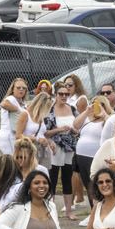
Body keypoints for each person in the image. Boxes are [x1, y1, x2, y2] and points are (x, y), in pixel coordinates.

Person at [44, 82, 80, 217]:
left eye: (66, 94)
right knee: (52, 178)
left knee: (67, 177)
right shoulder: (49, 110)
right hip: (55, 146)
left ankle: (69, 211)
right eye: (61, 94)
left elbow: (78, 129)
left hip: (69, 147)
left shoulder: (72, 108)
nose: (64, 96)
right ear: (55, 94)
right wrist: (59, 129)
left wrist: (73, 130)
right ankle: (50, 211)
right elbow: (45, 132)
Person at [0, 77, 29, 158]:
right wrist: (18, 110)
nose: (21, 90)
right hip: (8, 136)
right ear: (13, 89)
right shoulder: (11, 98)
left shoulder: (23, 103)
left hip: (16, 136)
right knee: (12, 163)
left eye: (24, 88)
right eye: (18, 88)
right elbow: (4, 104)